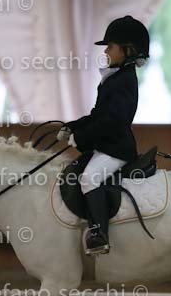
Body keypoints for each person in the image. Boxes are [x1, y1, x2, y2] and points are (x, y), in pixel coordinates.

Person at [57, 15, 150, 255]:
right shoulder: (114, 77)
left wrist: (82, 137)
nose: (106, 51)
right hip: (108, 145)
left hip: (117, 148)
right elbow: (98, 115)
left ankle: (100, 234)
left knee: (89, 178)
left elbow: (114, 122)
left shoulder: (125, 80)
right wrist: (73, 127)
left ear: (128, 50)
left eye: (110, 46)